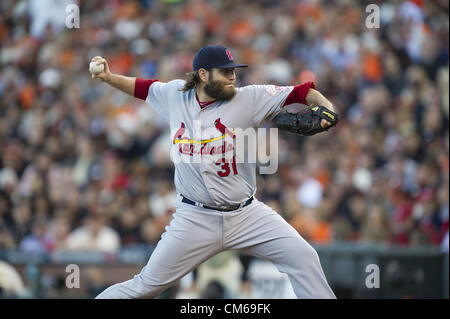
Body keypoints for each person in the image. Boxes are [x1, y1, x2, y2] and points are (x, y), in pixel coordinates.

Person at [92, 44, 337, 299]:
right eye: (225, 71)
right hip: (194, 218)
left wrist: (327, 108)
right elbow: (142, 88)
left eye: (233, 71)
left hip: (247, 216)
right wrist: (109, 78)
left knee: (303, 257)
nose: (232, 76)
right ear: (203, 75)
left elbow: (303, 92)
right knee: (144, 286)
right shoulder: (175, 95)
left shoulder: (250, 98)